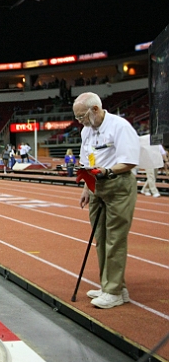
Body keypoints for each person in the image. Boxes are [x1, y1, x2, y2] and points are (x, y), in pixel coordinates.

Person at [74, 92, 139, 309]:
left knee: (115, 238)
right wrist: (86, 187)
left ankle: (114, 291)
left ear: (94, 110)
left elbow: (129, 161)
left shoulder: (120, 127)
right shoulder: (86, 131)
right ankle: (110, 285)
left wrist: (107, 170)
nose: (80, 121)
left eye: (82, 116)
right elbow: (87, 160)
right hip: (95, 186)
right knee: (100, 238)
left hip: (118, 185)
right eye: (77, 118)